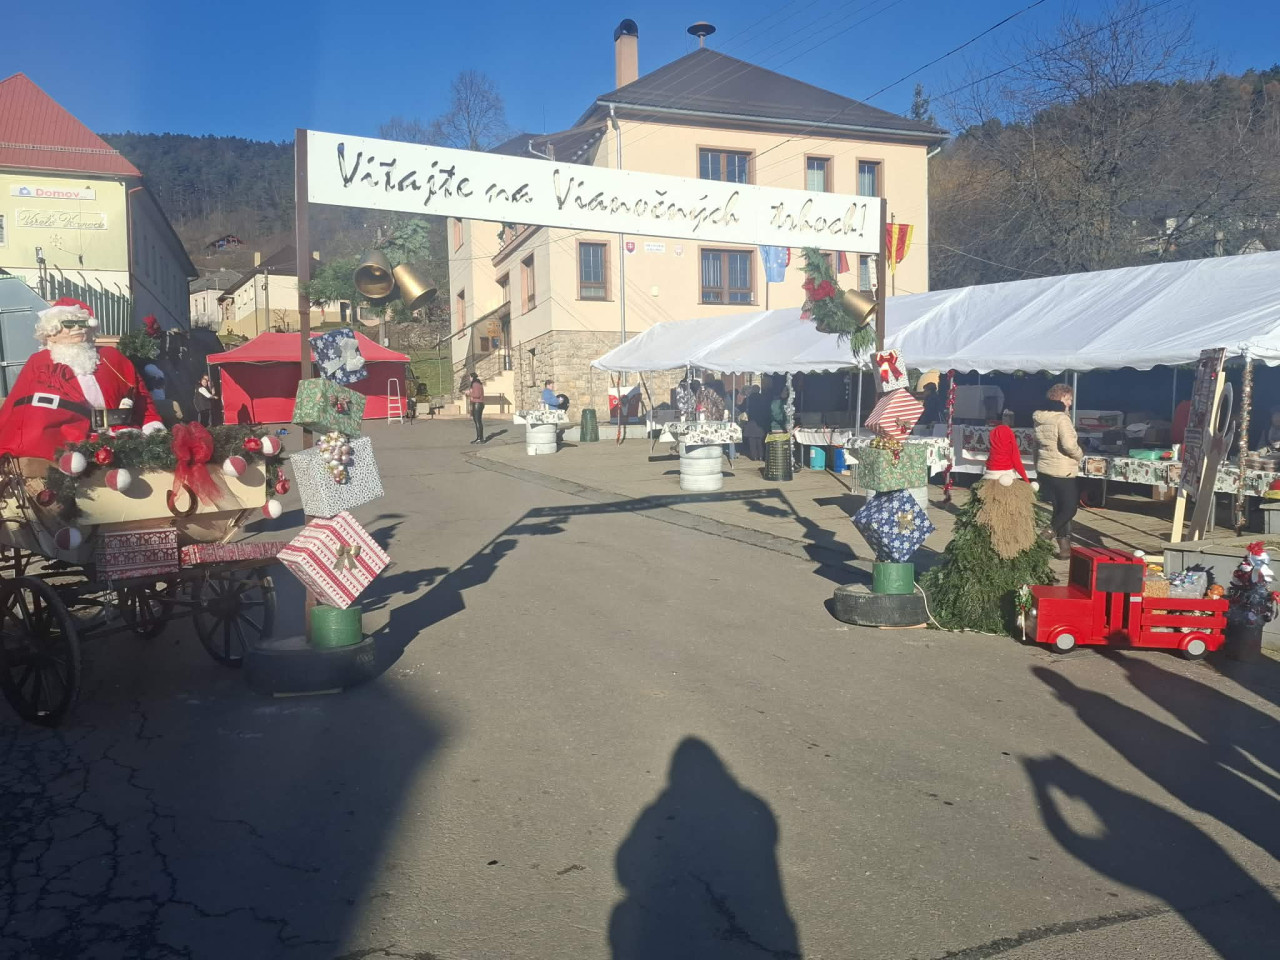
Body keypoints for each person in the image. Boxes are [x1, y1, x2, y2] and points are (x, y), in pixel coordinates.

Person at [0, 298, 164, 461]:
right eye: (69, 324)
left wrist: (152, 427)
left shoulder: (112, 357)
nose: (77, 328)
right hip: (68, 442)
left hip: (122, 435)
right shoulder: (40, 362)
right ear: (51, 333)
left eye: (82, 323)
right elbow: (27, 410)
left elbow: (141, 397)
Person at [1033, 383, 1085, 559]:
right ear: (1061, 398)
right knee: (1069, 508)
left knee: (1059, 509)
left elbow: (1036, 446)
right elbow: (1069, 445)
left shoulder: (1040, 417)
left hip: (1045, 469)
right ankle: (1046, 534)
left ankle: (1065, 549)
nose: (1070, 403)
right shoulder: (1061, 419)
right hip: (1063, 470)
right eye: (1068, 399)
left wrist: (1038, 466)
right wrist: (1079, 454)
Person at [743, 385, 768, 461]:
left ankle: (754, 456)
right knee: (760, 440)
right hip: (760, 422)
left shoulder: (748, 399)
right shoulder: (763, 398)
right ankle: (761, 456)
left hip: (751, 421)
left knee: (752, 441)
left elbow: (743, 408)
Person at [468, 373, 485, 443]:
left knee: (477, 421)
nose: (469, 379)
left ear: (472, 377)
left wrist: (469, 393)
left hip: (477, 404)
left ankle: (479, 438)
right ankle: (480, 437)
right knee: (478, 421)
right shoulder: (478, 384)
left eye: (470, 377)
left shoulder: (475, 384)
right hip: (479, 403)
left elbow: (477, 395)